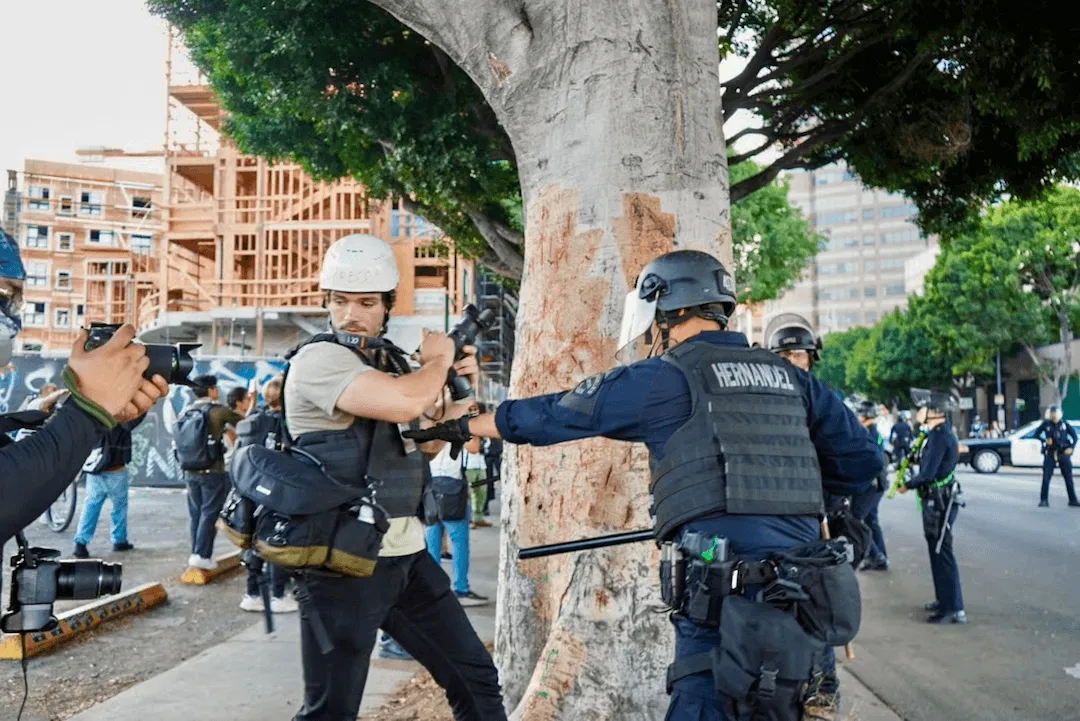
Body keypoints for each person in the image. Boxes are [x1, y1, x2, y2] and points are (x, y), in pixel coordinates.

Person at [407, 249, 882, 721]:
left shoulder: (666, 377)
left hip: (720, 610)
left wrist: (465, 425)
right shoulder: (793, 379)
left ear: (665, 310)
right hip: (804, 603)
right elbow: (863, 464)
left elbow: (556, 414)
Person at [281, 234, 505, 720]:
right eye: (340, 301)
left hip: (404, 555)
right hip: (341, 563)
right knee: (331, 712)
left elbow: (427, 441)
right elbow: (405, 404)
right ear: (326, 302)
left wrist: (459, 386)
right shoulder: (319, 360)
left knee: (476, 680)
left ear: (387, 306)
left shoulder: (387, 361)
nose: (351, 315)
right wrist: (439, 361)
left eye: (366, 303)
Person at [0, 227, 168, 545]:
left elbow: (17, 468)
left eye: (14, 301)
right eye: (5, 294)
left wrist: (95, 417)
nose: (11, 318)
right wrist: (87, 411)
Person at [897, 389, 966, 624]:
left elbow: (928, 474)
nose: (918, 412)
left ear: (935, 412)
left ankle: (953, 608)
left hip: (940, 501)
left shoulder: (940, 436)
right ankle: (944, 600)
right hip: (936, 499)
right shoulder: (935, 434)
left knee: (942, 552)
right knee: (936, 551)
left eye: (922, 408)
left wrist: (907, 485)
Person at [235, 375, 297, 614]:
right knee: (278, 540)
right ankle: (278, 595)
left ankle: (252, 594)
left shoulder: (253, 419)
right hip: (279, 492)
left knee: (254, 541)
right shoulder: (288, 422)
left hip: (251, 489)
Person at [177, 375, 243, 571]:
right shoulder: (218, 411)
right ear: (211, 390)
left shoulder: (186, 412)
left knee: (196, 513)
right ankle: (202, 555)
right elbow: (245, 424)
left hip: (190, 470)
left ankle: (196, 554)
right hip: (212, 470)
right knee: (210, 512)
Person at [425, 437, 489, 606]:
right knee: (459, 543)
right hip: (452, 488)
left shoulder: (427, 425)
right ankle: (461, 589)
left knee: (432, 546)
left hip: (430, 487)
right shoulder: (457, 427)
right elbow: (474, 447)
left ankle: (432, 592)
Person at [71, 415, 145, 558]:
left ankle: (81, 542)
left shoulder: (95, 412)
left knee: (91, 506)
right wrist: (143, 409)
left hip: (96, 467)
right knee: (119, 508)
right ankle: (119, 540)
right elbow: (128, 425)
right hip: (115, 468)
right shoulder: (122, 413)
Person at [850, 401, 889, 571]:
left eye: (859, 414)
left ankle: (876, 554)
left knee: (855, 520)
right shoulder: (873, 433)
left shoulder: (868, 434)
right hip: (876, 483)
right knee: (871, 520)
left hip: (870, 484)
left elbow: (868, 460)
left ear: (865, 416)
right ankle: (880, 557)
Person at [1034, 404, 1078, 508]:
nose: (1054, 416)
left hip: (1063, 452)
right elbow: (1036, 434)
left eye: (1056, 414)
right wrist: (1045, 440)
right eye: (1052, 414)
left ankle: (1073, 500)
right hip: (1050, 452)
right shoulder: (1046, 424)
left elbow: (1075, 437)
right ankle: (1044, 500)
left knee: (1068, 477)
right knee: (1046, 477)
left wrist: (1071, 448)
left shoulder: (1065, 424)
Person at [462, 433, 489, 528]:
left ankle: (478, 518)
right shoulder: (466, 434)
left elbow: (486, 446)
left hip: (481, 465)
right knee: (468, 495)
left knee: (482, 493)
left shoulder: (484, 436)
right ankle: (468, 519)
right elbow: (473, 449)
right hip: (469, 466)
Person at [482, 434, 503, 516]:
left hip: (497, 456)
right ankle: (485, 507)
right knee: (488, 483)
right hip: (487, 458)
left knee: (504, 479)